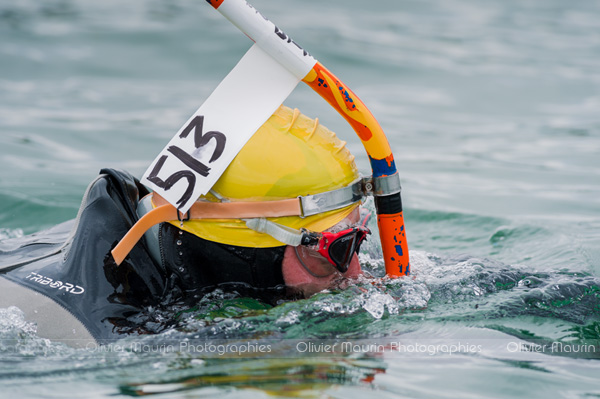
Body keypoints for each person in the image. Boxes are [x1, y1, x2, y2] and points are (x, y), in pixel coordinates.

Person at [0, 105, 370, 346]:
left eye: (357, 240)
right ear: (241, 253)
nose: (356, 273)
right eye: (333, 249)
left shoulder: (138, 236)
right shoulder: (82, 335)